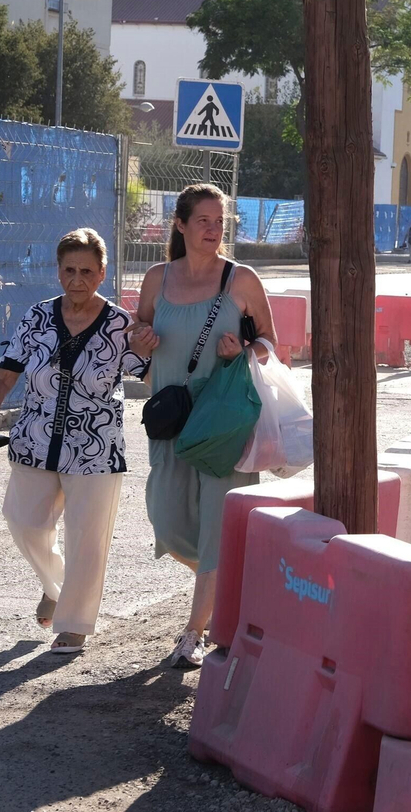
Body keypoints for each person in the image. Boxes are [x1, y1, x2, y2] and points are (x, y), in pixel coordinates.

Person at [0, 228, 156, 655]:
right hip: (34, 440)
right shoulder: (37, 317)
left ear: (102, 273)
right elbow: (4, 376)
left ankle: (73, 625)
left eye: (87, 271)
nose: (77, 279)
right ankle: (56, 586)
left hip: (96, 448)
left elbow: (151, 375)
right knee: (24, 522)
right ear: (57, 271)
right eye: (69, 270)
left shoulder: (120, 325)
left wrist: (150, 351)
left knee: (88, 539)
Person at [135, 184, 278, 669]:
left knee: (218, 529)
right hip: (172, 418)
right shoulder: (157, 278)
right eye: (203, 220)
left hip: (223, 422)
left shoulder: (241, 279)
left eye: (220, 221)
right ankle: (233, 582)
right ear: (180, 224)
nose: (214, 230)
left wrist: (244, 352)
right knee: (168, 521)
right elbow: (138, 330)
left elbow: (272, 345)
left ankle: (194, 631)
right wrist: (140, 339)